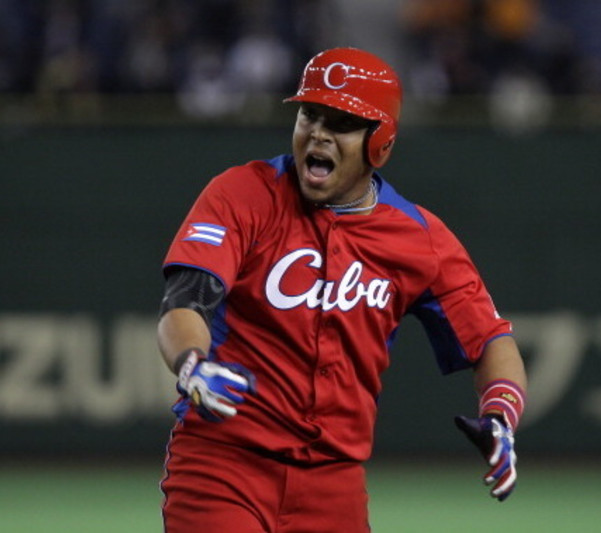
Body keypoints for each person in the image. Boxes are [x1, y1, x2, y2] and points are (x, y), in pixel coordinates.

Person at [156, 47, 527, 532]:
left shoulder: (420, 238)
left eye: (342, 123)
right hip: (225, 464)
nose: (319, 133)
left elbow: (491, 341)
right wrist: (192, 365)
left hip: (335, 483)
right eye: (310, 114)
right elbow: (185, 302)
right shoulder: (242, 194)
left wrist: (500, 415)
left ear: (381, 143)